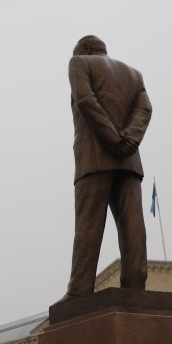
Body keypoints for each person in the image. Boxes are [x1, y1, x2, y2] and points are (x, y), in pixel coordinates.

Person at [58, 34, 153, 304]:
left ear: (84, 50)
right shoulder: (134, 74)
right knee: (133, 224)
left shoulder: (79, 63)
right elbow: (145, 109)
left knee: (88, 225)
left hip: (95, 156)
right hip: (129, 159)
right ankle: (135, 286)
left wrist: (112, 140)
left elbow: (86, 100)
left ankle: (79, 290)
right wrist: (129, 141)